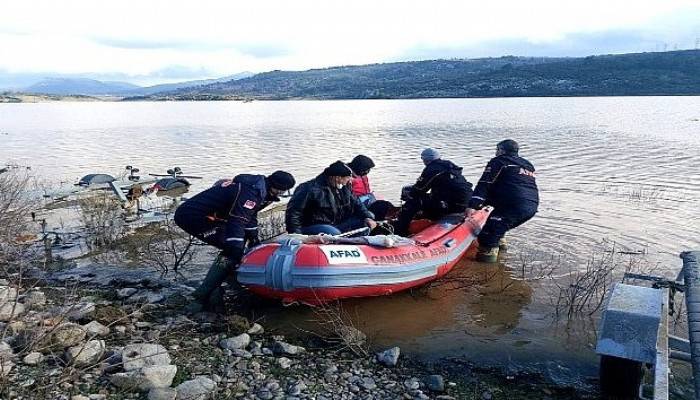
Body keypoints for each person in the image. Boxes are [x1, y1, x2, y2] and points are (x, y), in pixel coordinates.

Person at [174, 170, 296, 312]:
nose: (281, 194)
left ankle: (218, 288)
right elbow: (237, 220)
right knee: (232, 249)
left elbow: (249, 215)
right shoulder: (251, 192)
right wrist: (236, 247)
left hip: (209, 216)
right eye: (281, 191)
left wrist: (253, 236)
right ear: (275, 186)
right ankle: (201, 296)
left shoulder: (260, 189)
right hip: (192, 217)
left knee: (235, 246)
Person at [468, 139, 539, 262]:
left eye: (497, 149)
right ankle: (502, 254)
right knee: (498, 227)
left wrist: (472, 206)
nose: (495, 152)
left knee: (488, 235)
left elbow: (485, 183)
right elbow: (511, 185)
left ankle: (487, 272)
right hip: (531, 205)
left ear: (501, 150)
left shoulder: (499, 161)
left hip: (512, 205)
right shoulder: (527, 164)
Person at [392, 148, 473, 236]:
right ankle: (427, 216)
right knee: (429, 197)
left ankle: (400, 229)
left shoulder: (432, 169)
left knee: (414, 201)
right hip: (465, 202)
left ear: (426, 160)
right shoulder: (450, 166)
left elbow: (419, 189)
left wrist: (409, 195)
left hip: (450, 205)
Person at [286, 160, 377, 236]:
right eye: (347, 178)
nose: (349, 180)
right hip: (314, 226)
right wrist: (296, 235)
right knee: (333, 232)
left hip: (337, 223)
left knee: (367, 220)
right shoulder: (308, 188)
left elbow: (357, 204)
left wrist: (367, 217)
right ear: (338, 178)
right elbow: (293, 213)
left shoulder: (344, 188)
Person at [348, 154, 396, 222]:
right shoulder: (348, 178)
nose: (367, 172)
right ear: (359, 168)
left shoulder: (362, 175)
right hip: (356, 204)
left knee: (386, 204)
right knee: (381, 206)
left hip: (365, 199)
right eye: (366, 170)